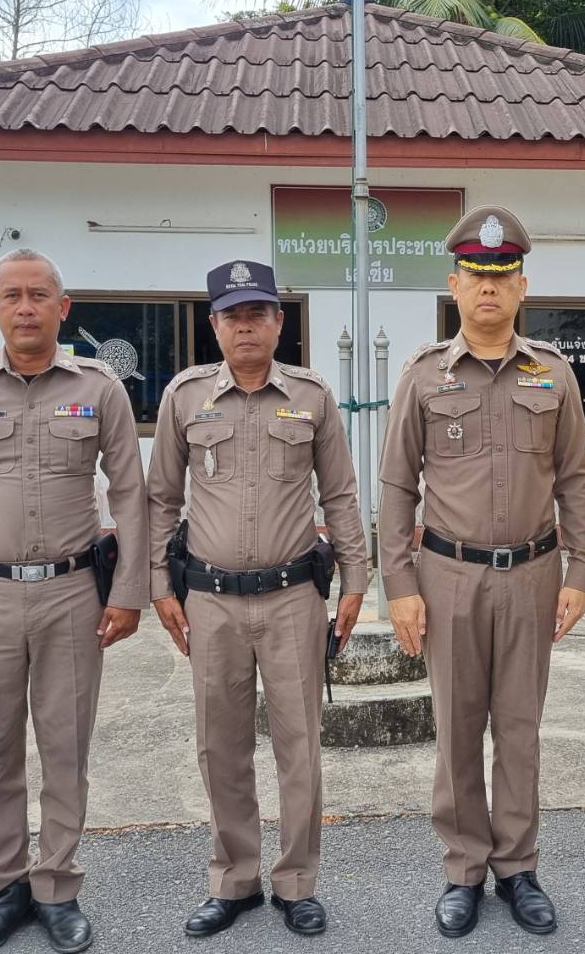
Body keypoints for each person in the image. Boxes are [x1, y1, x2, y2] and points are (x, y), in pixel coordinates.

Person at [0, 248, 149, 954]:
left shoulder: (99, 388)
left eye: (39, 295)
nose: (26, 308)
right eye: (12, 296)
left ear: (62, 308)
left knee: (65, 746)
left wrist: (130, 591)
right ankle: (3, 889)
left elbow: (131, 494)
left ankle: (56, 888)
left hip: (72, 595)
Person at [377, 205, 585, 938]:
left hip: (534, 573)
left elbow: (576, 478)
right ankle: (464, 869)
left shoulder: (554, 375)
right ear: (455, 286)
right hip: (449, 576)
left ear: (522, 286)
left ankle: (518, 868)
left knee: (521, 728)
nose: (490, 287)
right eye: (476, 275)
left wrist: (581, 571)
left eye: (503, 275)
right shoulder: (423, 376)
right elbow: (396, 486)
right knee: (458, 728)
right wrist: (400, 585)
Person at [147, 260, 368, 939]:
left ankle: (297, 883)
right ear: (214, 325)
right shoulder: (185, 397)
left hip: (292, 597)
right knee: (221, 747)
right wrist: (158, 584)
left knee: (300, 748)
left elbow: (341, 495)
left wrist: (357, 580)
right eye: (232, 315)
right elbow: (161, 499)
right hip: (210, 600)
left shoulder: (312, 396)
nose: (245, 326)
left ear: (278, 322)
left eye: (258, 314)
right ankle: (234, 880)